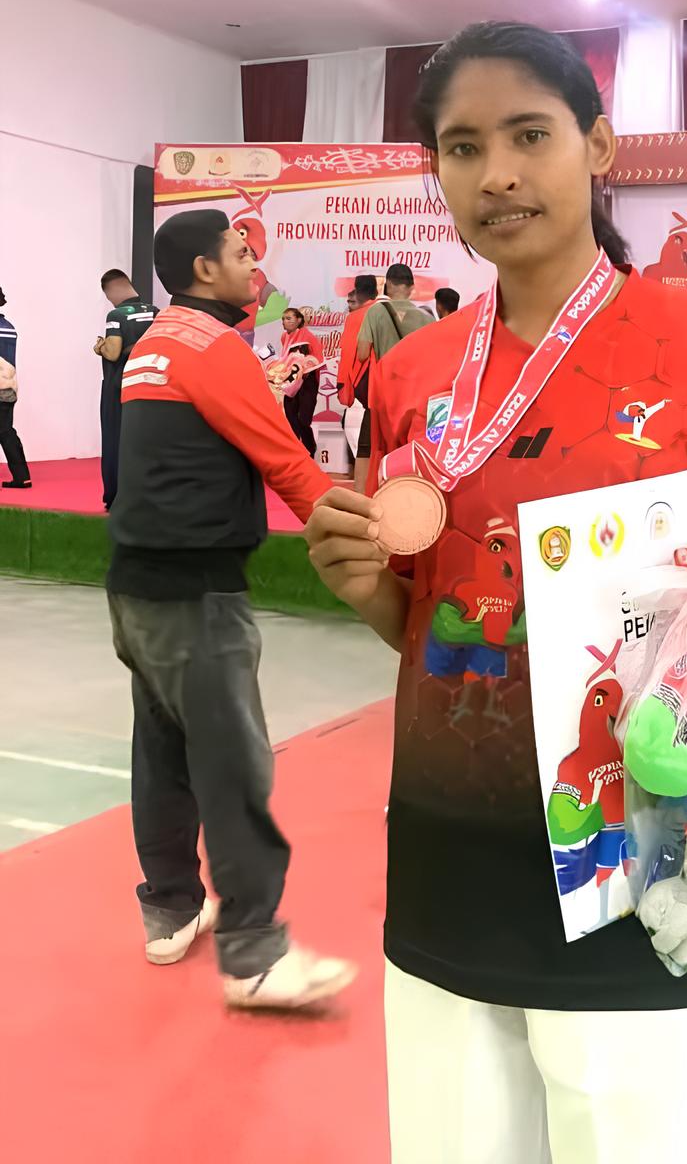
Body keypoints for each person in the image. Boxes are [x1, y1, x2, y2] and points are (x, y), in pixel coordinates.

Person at [302, 22, 687, 1164]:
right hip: (450, 839)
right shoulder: (411, 372)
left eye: (528, 135)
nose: (495, 173)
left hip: (648, 838)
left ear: (597, 145)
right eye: (462, 148)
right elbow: (429, 625)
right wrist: (365, 590)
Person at [107, 209, 354, 1009]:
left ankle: (170, 910)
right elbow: (289, 465)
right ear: (205, 270)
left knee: (163, 752)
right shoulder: (214, 348)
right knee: (233, 768)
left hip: (136, 586)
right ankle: (254, 955)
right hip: (195, 593)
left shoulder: (155, 341)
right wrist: (380, 540)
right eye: (243, 253)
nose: (256, 265)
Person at [96, 270, 157, 511]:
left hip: (118, 387)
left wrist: (99, 347)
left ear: (110, 291)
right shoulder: (154, 312)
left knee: (115, 440)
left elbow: (112, 352)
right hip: (149, 385)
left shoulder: (116, 315)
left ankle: (116, 496)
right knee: (147, 441)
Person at [337, 274, 379, 491]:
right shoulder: (383, 312)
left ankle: (363, 491)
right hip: (386, 383)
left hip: (363, 383)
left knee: (363, 441)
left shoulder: (356, 317)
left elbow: (350, 353)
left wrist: (343, 386)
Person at [358, 264, 435, 374]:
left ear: (388, 284)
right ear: (412, 287)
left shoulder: (375, 312)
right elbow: (432, 357)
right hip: (415, 381)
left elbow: (362, 354)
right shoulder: (427, 318)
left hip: (386, 379)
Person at [279, 307, 324, 457]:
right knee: (290, 418)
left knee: (303, 419)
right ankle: (296, 453)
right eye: (283, 319)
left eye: (288, 318)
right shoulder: (284, 337)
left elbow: (317, 359)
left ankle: (309, 449)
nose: (284, 322)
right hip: (291, 382)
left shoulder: (308, 337)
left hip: (307, 382)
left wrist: (305, 367)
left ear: (299, 320)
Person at [0, 286, 31, 489]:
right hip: (8, 387)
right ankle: (22, 476)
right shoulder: (9, 327)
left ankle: (22, 477)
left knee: (5, 431)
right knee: (6, 431)